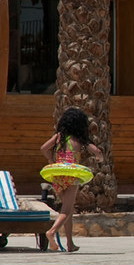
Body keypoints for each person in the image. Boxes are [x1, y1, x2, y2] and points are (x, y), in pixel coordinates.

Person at [40, 107, 103, 252]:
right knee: (67, 210)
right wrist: (100, 159)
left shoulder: (59, 137)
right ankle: (52, 232)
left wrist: (50, 159)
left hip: (58, 175)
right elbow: (97, 151)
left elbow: (44, 148)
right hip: (72, 175)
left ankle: (70, 244)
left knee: (66, 208)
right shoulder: (80, 140)